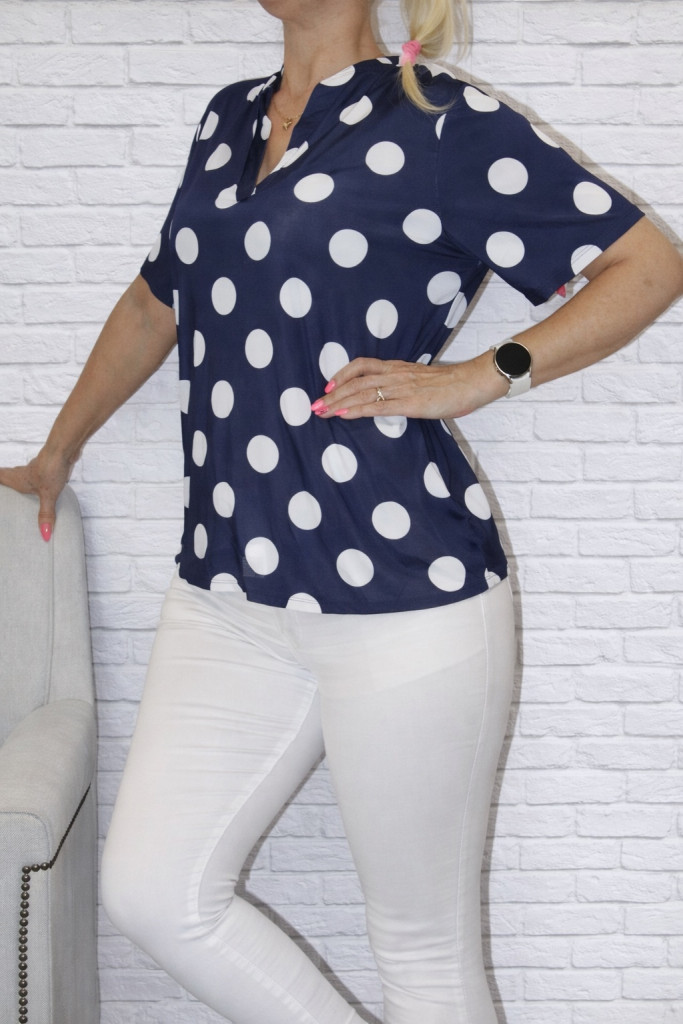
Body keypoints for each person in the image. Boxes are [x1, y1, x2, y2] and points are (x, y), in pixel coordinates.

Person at [1, 1, 681, 1022]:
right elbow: (157, 299)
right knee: (151, 891)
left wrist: (480, 374)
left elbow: (647, 264)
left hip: (405, 598)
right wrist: (57, 452)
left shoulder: (441, 121)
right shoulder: (229, 116)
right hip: (227, 591)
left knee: (421, 951)